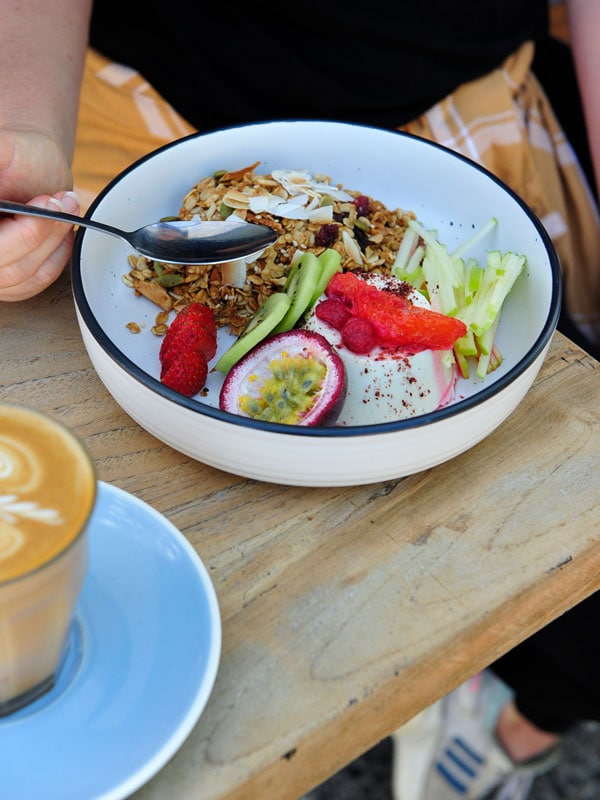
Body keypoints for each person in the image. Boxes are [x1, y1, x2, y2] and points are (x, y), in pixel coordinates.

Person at [1, 2, 599, 797]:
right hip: (122, 124)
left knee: (545, 525)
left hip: (462, 118)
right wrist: (27, 134)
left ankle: (516, 720)